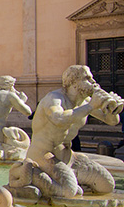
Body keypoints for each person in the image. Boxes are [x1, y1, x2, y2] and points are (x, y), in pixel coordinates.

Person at [22, 65, 123, 197]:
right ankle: (30, 175)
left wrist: (113, 110)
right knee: (68, 192)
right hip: (43, 156)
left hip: (68, 157)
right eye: (87, 78)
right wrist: (91, 106)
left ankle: (68, 180)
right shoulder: (54, 98)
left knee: (106, 185)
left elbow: (112, 121)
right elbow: (58, 118)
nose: (93, 82)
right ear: (73, 82)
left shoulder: (85, 102)